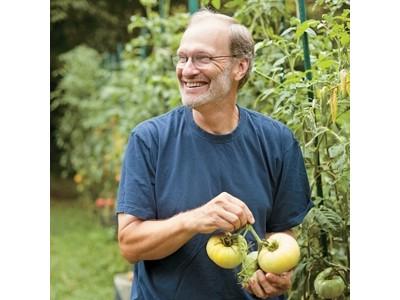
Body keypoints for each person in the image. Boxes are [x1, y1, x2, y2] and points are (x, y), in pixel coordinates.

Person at [116, 8, 313, 300]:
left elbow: (281, 234)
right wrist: (195, 220)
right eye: (182, 58)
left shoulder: (277, 141)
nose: (187, 69)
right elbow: (130, 244)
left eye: (203, 58)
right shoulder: (150, 140)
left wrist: (276, 273)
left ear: (240, 67)